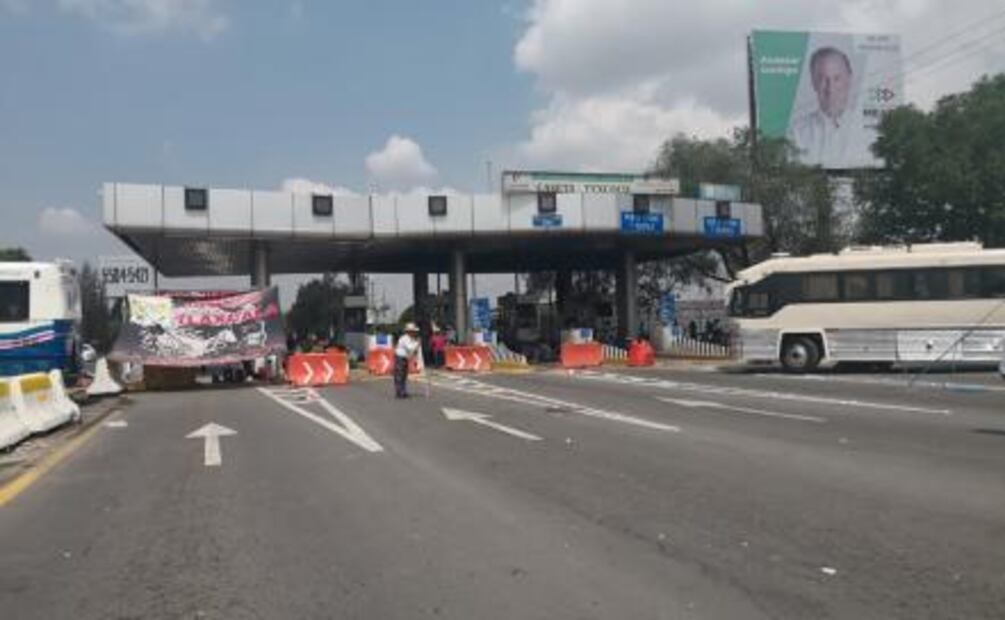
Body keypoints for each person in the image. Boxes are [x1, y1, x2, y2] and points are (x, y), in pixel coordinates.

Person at [788, 46, 857, 167]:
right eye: (823, 79)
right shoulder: (797, 133)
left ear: (849, 79)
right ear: (813, 82)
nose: (830, 88)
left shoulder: (869, 129)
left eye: (837, 78)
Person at [393, 322, 421, 398]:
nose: (414, 333)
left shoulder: (411, 339)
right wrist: (417, 344)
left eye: (414, 331)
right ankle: (400, 392)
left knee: (404, 375)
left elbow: (413, 350)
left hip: (404, 358)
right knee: (400, 375)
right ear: (409, 331)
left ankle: (403, 391)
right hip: (400, 358)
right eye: (413, 331)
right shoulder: (404, 338)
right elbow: (410, 348)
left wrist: (417, 344)